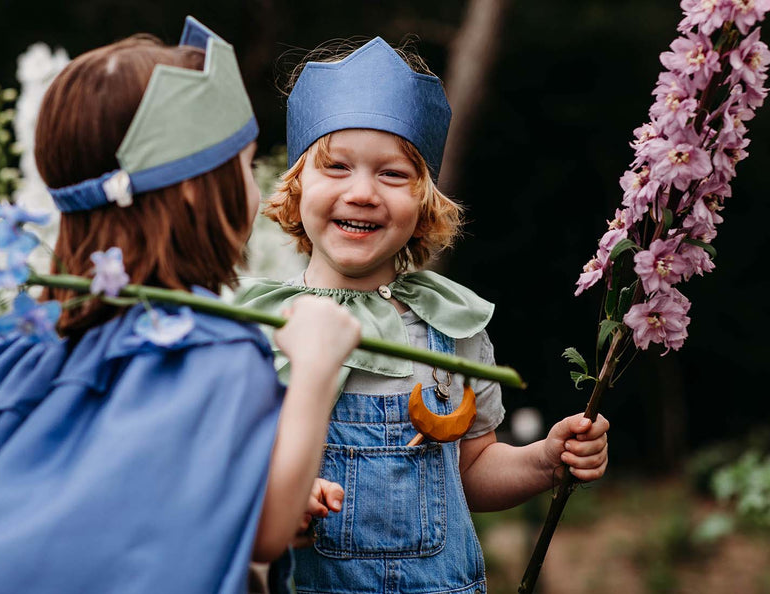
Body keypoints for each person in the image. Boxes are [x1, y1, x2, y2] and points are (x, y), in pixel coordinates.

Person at [0, 18, 361, 594]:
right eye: (242, 167)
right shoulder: (204, 348)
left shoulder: (34, 339)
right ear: (193, 188)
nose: (256, 190)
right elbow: (268, 527)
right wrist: (314, 369)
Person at [235, 37, 610, 593]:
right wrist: (281, 495)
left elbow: (472, 471)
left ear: (425, 204)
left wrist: (545, 460)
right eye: (336, 166)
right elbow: (227, 478)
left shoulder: (451, 326)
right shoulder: (259, 327)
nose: (362, 192)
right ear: (294, 187)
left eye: (392, 174)